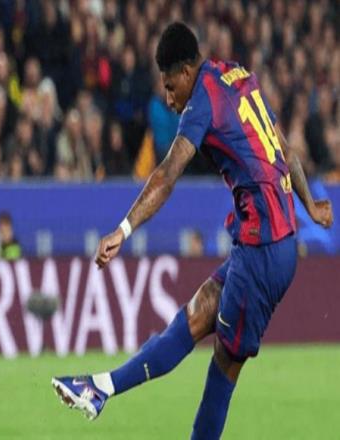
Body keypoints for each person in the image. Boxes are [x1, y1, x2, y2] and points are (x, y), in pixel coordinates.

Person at [51, 22, 334, 438]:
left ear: (186, 72)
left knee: (223, 365)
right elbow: (284, 149)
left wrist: (123, 230)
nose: (169, 99)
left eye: (170, 87)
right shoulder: (236, 74)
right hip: (266, 242)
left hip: (263, 250)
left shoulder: (202, 102)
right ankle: (101, 388)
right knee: (196, 315)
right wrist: (310, 204)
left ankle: (102, 389)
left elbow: (167, 174)